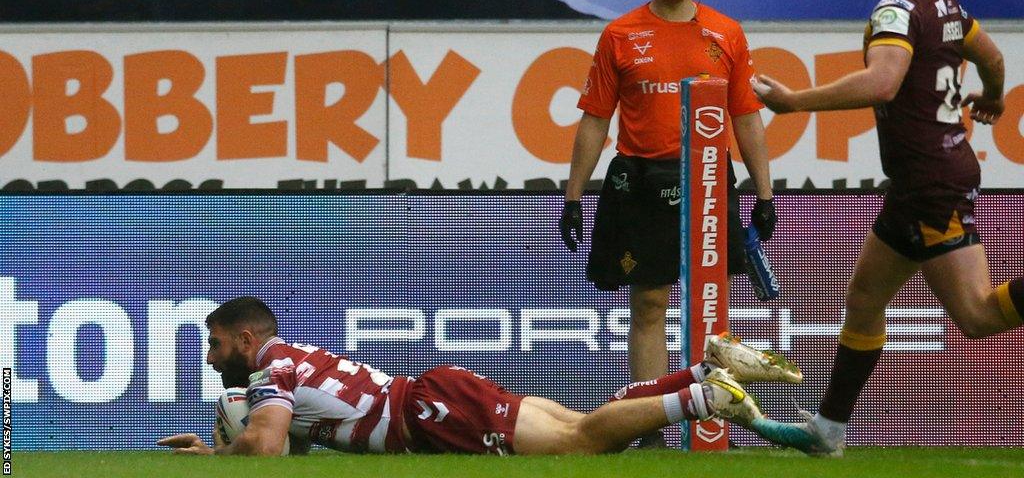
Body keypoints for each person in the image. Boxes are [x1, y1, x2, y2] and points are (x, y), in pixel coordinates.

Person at [749, 0, 1021, 456]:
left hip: (928, 183)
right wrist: (993, 96)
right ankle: (828, 431)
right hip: (928, 178)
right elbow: (991, 56)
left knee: (975, 316)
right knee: (865, 296)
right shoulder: (945, 1)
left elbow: (882, 83)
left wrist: (795, 102)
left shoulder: (897, 9)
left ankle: (828, 429)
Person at [558, 0, 781, 445]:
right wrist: (572, 195)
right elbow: (595, 119)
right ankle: (649, 426)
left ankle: (711, 424)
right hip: (640, 181)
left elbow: (746, 117)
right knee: (649, 303)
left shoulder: (726, 33)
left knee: (711, 305)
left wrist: (765, 193)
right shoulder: (619, 34)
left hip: (707, 179)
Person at [158, 296, 800, 456]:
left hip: (430, 413)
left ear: (246, 339)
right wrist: (218, 448)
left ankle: (705, 396)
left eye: (215, 345)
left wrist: (218, 455)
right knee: (580, 423)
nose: (211, 358)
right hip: (435, 395)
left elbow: (267, 446)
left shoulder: (269, 369)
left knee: (580, 444)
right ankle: (704, 364)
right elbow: (289, 445)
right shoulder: (290, 359)